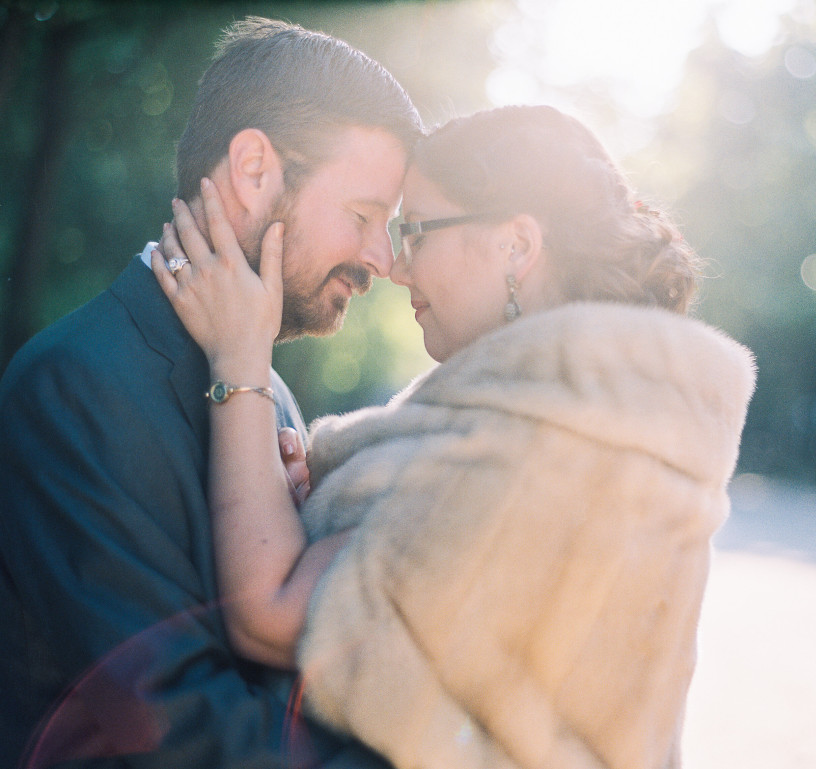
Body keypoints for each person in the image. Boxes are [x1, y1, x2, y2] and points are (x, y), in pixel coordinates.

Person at [154, 105, 757, 769]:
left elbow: (268, 614)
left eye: (415, 232)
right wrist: (325, 504)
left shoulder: (526, 450)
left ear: (517, 246)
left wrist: (240, 360)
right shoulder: (610, 427)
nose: (397, 268)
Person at [0, 17, 422, 769]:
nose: (381, 259)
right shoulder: (73, 385)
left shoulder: (269, 392)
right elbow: (176, 721)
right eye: (363, 218)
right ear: (255, 169)